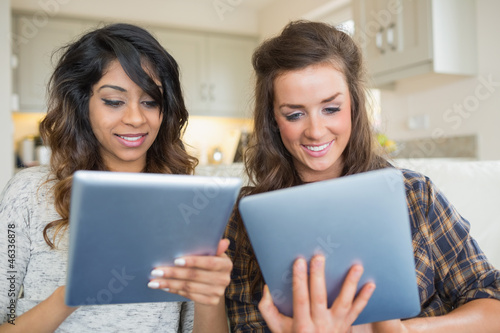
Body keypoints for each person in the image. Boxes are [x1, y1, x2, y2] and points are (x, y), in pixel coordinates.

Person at [223, 20, 500, 332]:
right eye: (295, 114)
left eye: (331, 108)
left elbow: (492, 302)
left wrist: (406, 331)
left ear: (354, 105)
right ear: (273, 119)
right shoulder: (246, 221)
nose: (315, 131)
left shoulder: (414, 195)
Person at [0, 23, 231, 332]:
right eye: (113, 101)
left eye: (150, 101)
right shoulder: (27, 193)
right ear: (83, 104)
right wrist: (71, 295)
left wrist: (209, 296)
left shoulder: (188, 202)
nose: (136, 118)